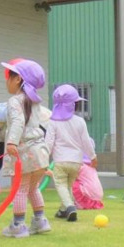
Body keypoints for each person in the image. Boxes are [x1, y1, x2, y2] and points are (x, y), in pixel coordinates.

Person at [1, 59, 51, 238]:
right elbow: (46, 121)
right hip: (40, 152)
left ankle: (18, 225)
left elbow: (18, 121)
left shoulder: (15, 101)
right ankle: (40, 221)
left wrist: (12, 142)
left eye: (8, 77)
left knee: (20, 189)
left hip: (25, 152)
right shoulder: (35, 101)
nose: (6, 81)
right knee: (33, 188)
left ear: (17, 80)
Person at [44, 84, 95, 221]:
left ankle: (70, 207)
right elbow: (86, 142)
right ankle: (62, 210)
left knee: (61, 185)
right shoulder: (80, 121)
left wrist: (43, 160)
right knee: (69, 186)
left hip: (60, 161)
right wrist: (93, 156)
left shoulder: (53, 122)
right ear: (74, 105)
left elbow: (48, 143)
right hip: (76, 162)